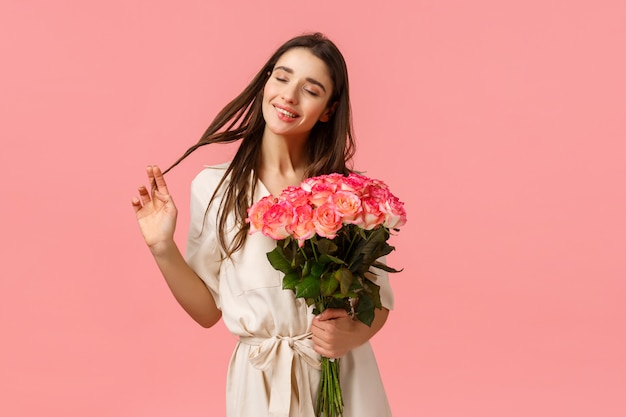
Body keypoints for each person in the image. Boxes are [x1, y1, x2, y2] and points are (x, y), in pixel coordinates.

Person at [131, 32, 394, 417]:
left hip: (343, 375)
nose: (289, 96)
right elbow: (208, 312)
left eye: (311, 89)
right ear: (266, 81)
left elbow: (379, 300)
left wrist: (351, 334)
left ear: (327, 109)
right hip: (261, 383)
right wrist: (161, 248)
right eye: (282, 77)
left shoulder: (343, 194)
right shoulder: (214, 187)